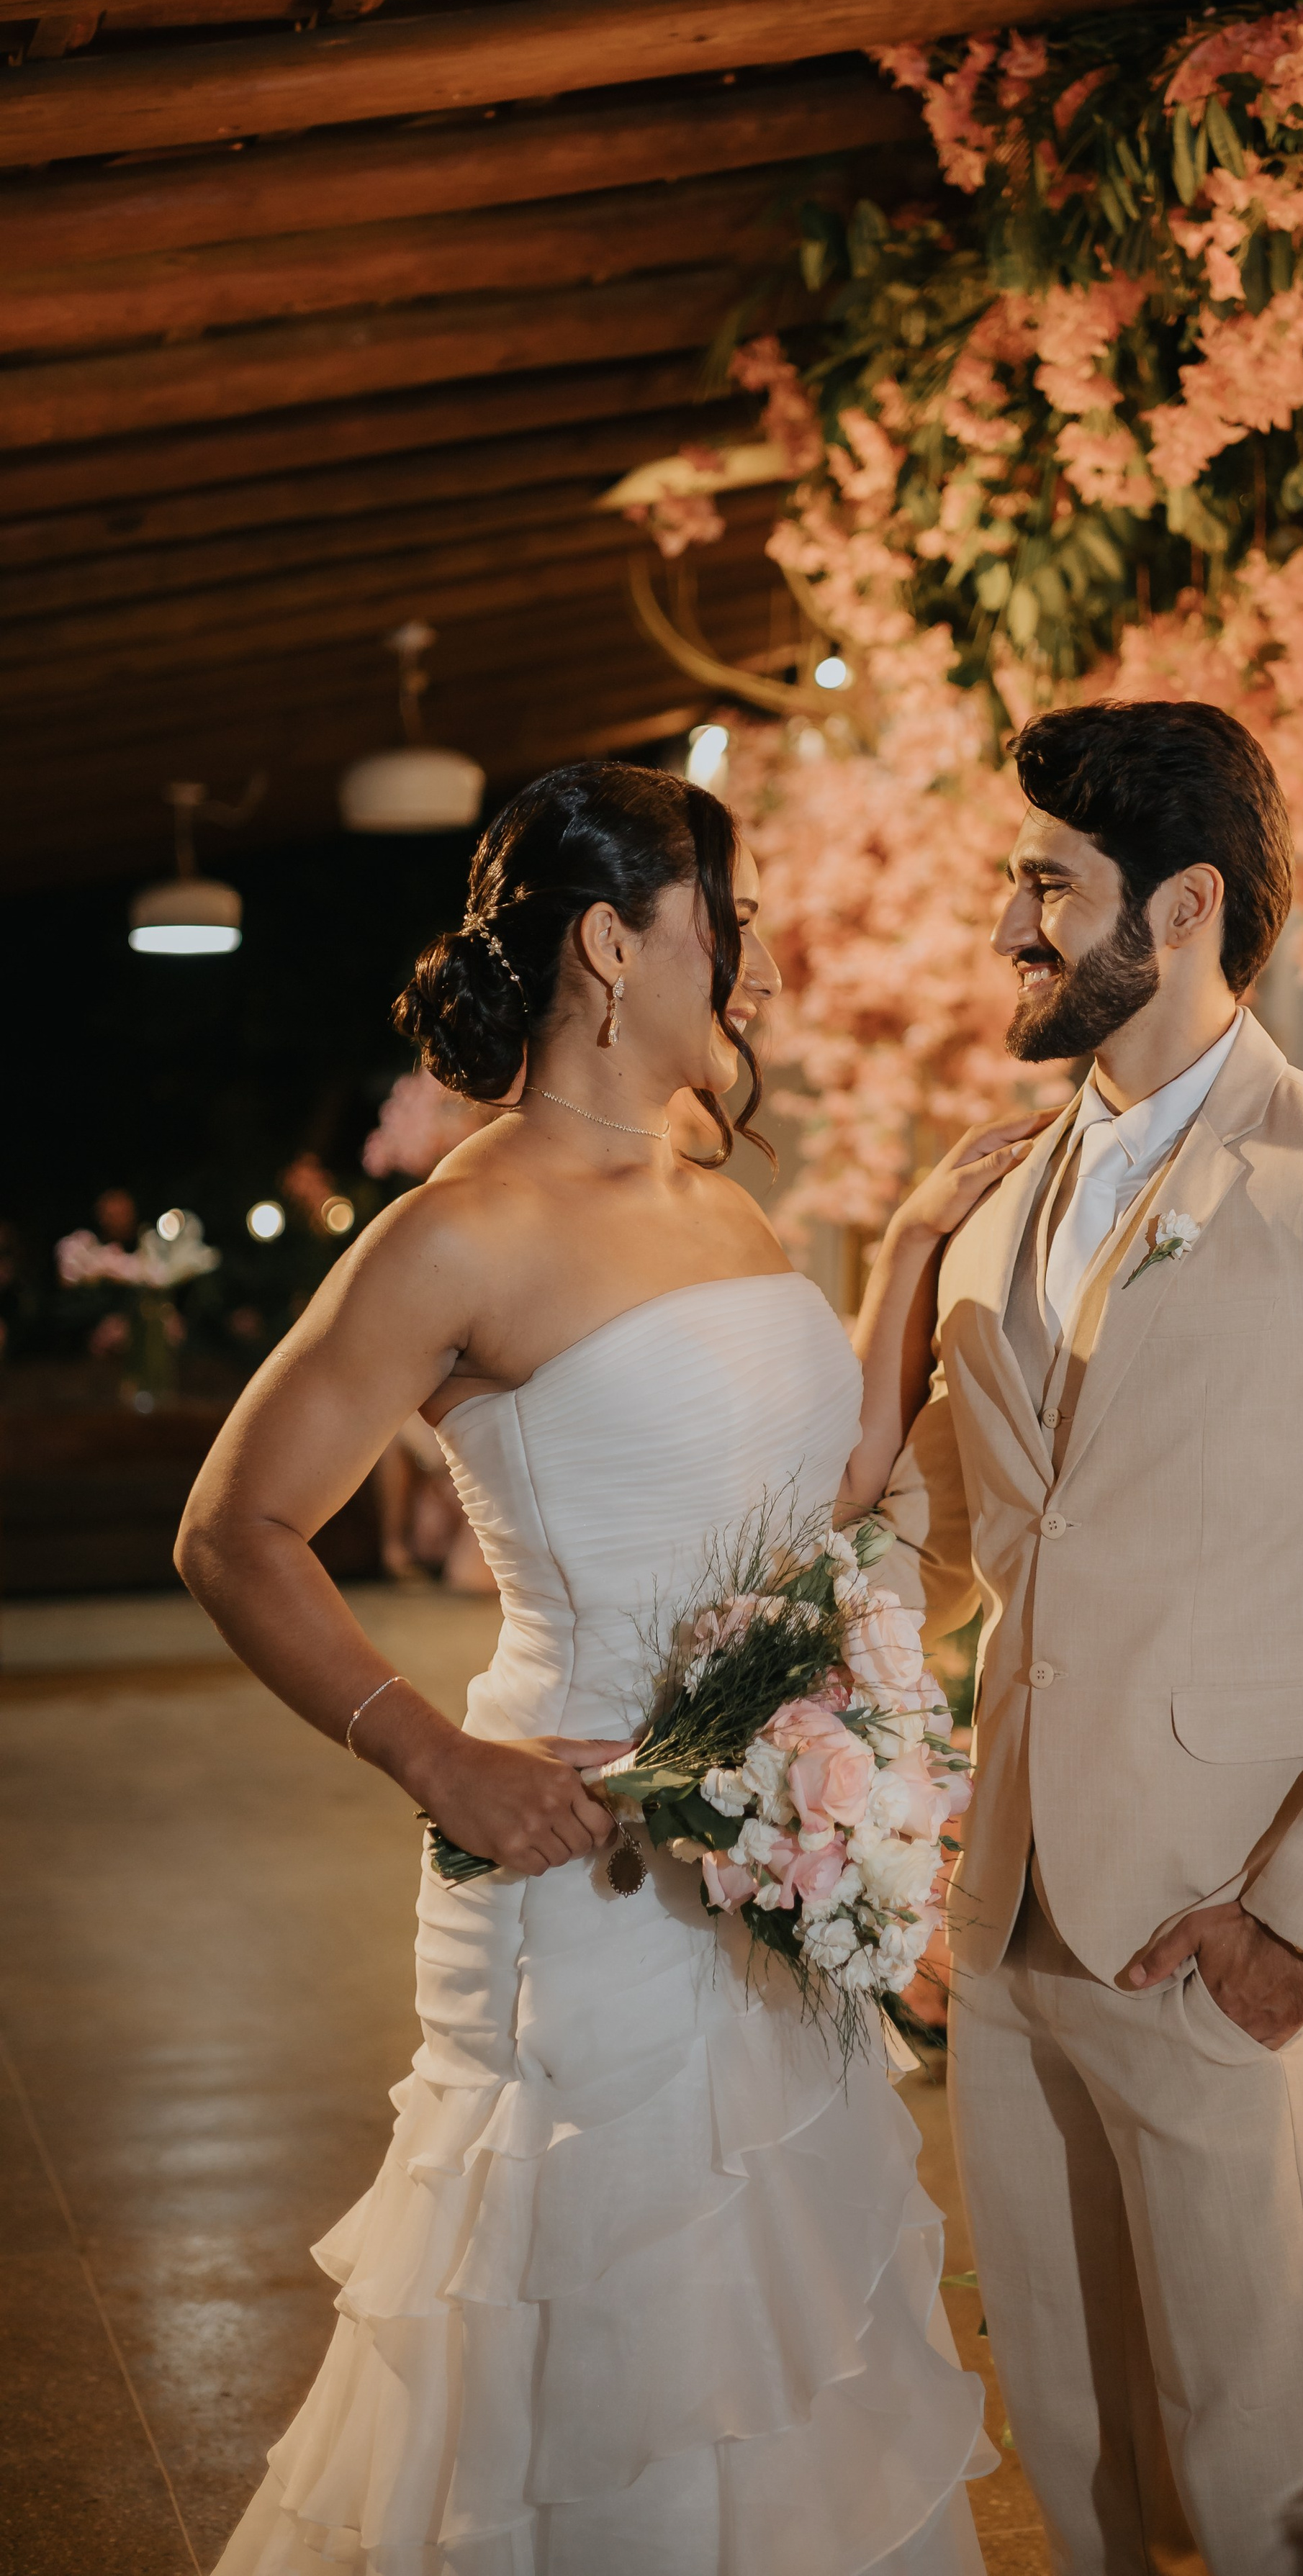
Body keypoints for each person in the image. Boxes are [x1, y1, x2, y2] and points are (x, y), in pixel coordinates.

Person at [178, 760, 1037, 2576]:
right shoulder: (459, 1230)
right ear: (607, 940)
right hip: (581, 1878)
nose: (758, 967)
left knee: (774, 2361)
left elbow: (813, 1520)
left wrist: (896, 1274)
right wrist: (430, 1754)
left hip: (757, 1881)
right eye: (723, 926)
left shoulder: (715, 1189)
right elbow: (232, 1530)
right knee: (591, 2391)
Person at [874, 700, 1303, 2576]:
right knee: (1082, 2468)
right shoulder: (998, 1198)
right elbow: (947, 1539)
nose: (1007, 924)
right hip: (1011, 1937)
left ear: (1180, 907)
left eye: (1046, 884)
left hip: (1228, 1942)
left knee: (1274, 2481)